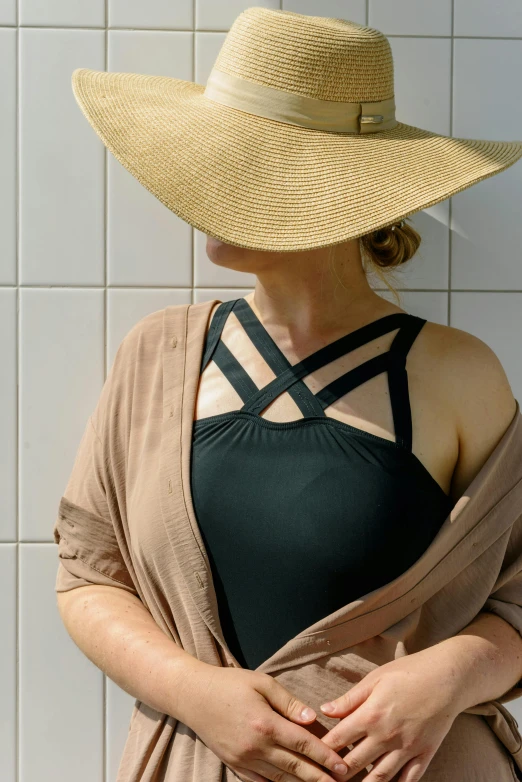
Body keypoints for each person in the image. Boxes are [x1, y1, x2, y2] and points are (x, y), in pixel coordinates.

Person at [54, 7, 522, 782]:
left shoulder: (454, 374)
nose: (204, 189)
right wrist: (195, 693)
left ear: (330, 196)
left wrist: (450, 677)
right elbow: (88, 576)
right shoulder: (157, 357)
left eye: (243, 166)